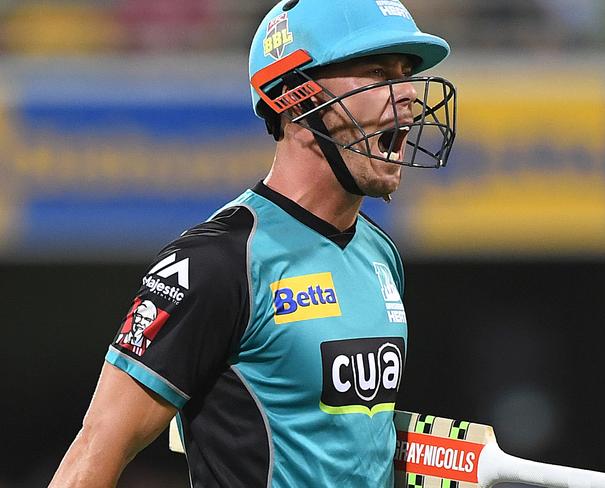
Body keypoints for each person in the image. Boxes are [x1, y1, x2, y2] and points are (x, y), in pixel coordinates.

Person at [49, 0, 456, 486]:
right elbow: (96, 448)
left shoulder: (380, 254)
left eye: (406, 72)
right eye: (376, 72)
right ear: (298, 98)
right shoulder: (216, 263)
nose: (407, 94)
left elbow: (341, 440)